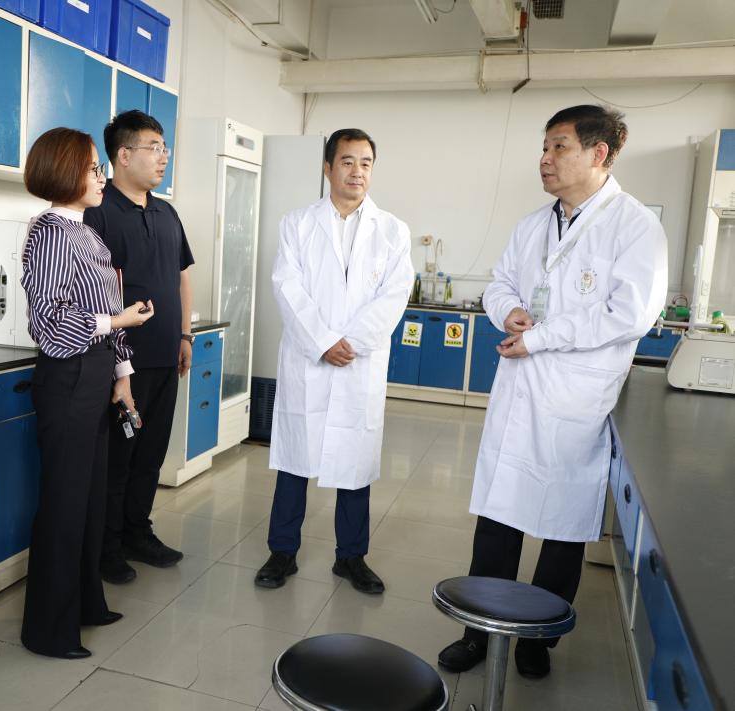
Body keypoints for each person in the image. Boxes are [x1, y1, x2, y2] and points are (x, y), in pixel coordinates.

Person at [437, 105, 668, 679]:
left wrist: (540, 338)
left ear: (599, 153)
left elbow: (629, 314)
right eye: (544, 147)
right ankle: (478, 630)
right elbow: (500, 283)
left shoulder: (635, 226)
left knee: (562, 526)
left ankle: (536, 639)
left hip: (575, 401)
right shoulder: (532, 225)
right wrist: (508, 311)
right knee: (498, 518)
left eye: (559, 146)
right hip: (520, 389)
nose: (545, 158)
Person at [255, 128, 414, 594]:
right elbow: (287, 287)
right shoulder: (298, 224)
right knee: (295, 458)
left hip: (359, 363)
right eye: (347, 161)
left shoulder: (392, 230)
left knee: (355, 461)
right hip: (310, 359)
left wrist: (353, 342)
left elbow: (395, 295)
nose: (357, 171)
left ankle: (351, 557)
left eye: (366, 162)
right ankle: (282, 552)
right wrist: (323, 342)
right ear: (328, 168)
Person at [19, 127, 154, 659]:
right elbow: (50, 324)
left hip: (96, 375)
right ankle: (48, 630)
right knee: (65, 503)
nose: (102, 177)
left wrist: (122, 375)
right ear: (64, 172)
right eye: (93, 168)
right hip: (69, 377)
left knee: (91, 498)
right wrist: (117, 321)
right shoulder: (51, 232)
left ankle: (85, 604)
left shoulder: (88, 234)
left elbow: (106, 314)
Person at [83, 110, 195, 584]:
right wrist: (117, 369)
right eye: (154, 148)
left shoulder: (167, 212)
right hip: (122, 364)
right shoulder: (97, 211)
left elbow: (182, 276)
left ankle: (137, 532)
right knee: (118, 459)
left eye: (164, 148)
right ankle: (106, 546)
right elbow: (93, 291)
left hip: (166, 357)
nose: (163, 157)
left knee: (150, 455)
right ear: (123, 155)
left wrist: (184, 335)